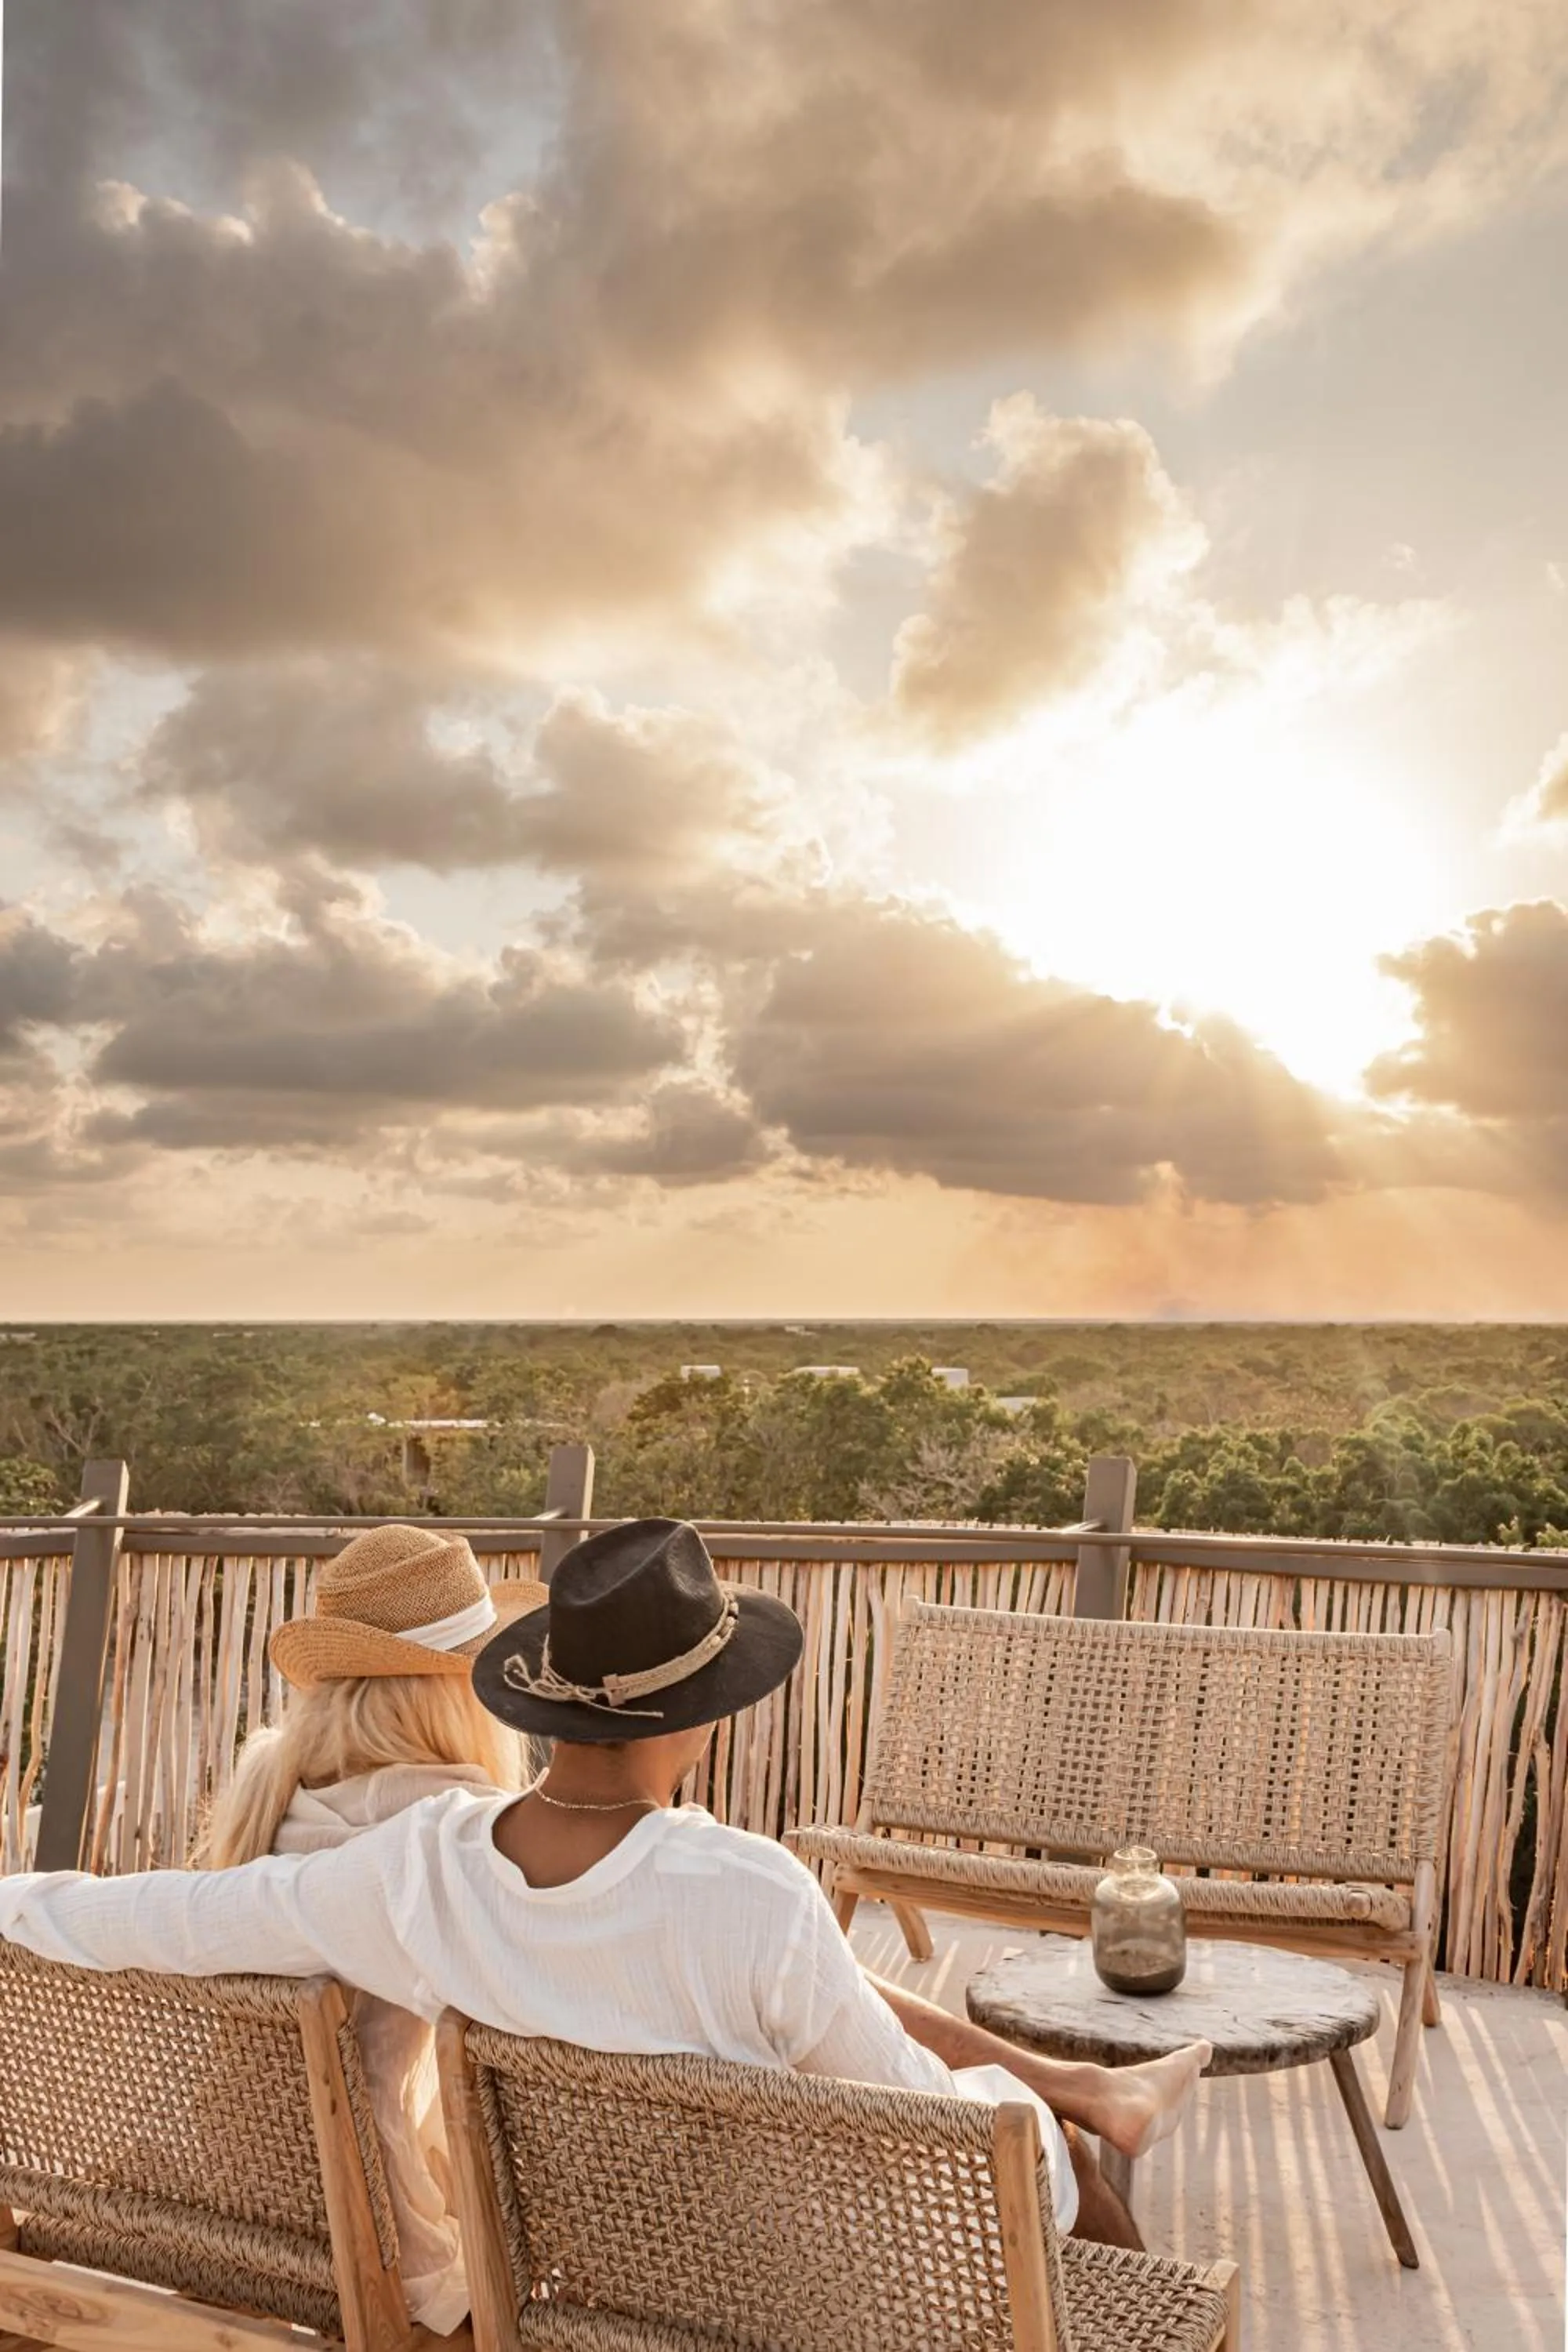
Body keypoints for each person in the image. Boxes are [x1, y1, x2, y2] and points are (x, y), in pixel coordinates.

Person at [0, 1519, 1210, 2263]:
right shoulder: (750, 1889)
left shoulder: (412, 1872)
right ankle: (1090, 2119)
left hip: (578, 2283)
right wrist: (1030, 2109)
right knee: (1050, 2161)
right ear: (704, 1714)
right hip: (781, 2284)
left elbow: (147, 1916)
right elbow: (928, 2132)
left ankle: (1083, 2099)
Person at [198, 1521, 544, 2336]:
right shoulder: (456, 1835)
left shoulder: (276, 1804)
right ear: (460, 1693)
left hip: (231, 2217)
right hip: (382, 2251)